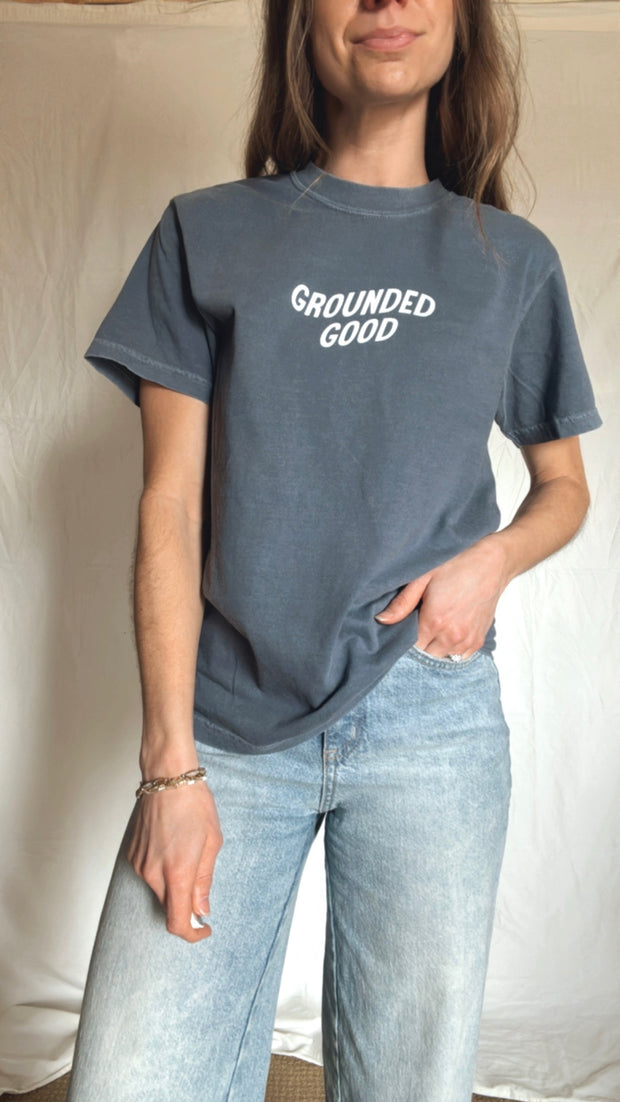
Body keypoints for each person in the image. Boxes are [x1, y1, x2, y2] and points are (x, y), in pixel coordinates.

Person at [65, 1, 602, 1100]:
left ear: (461, 25)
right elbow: (168, 505)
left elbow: (563, 491)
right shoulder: (207, 232)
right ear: (300, 23)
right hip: (226, 727)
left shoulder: (509, 258)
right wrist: (170, 765)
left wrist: (489, 563)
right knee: (130, 1079)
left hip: (430, 721)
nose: (385, 3)